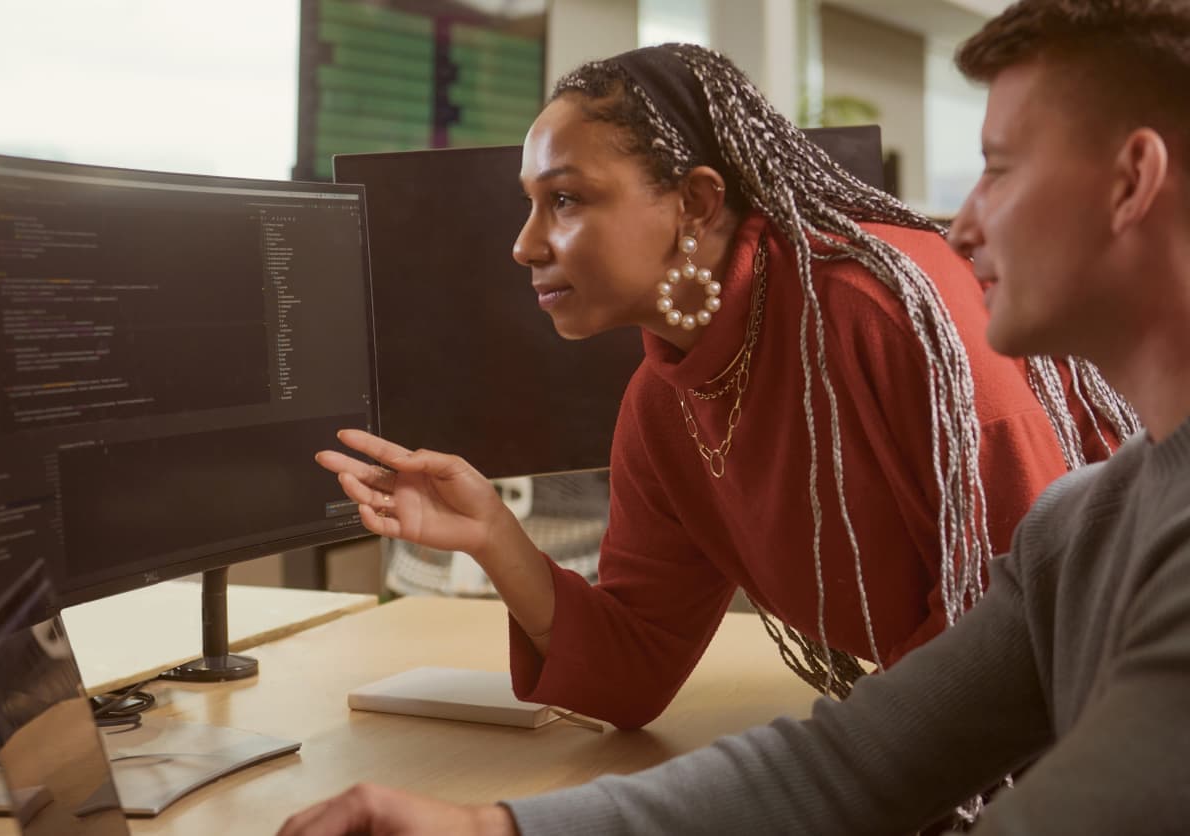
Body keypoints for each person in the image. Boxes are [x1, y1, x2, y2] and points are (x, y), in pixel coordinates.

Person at [281, 0, 1190, 832]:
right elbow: (845, 760)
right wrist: (487, 823)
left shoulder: (893, 313)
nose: (960, 225)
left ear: (699, 204)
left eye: (564, 199)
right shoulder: (1074, 532)